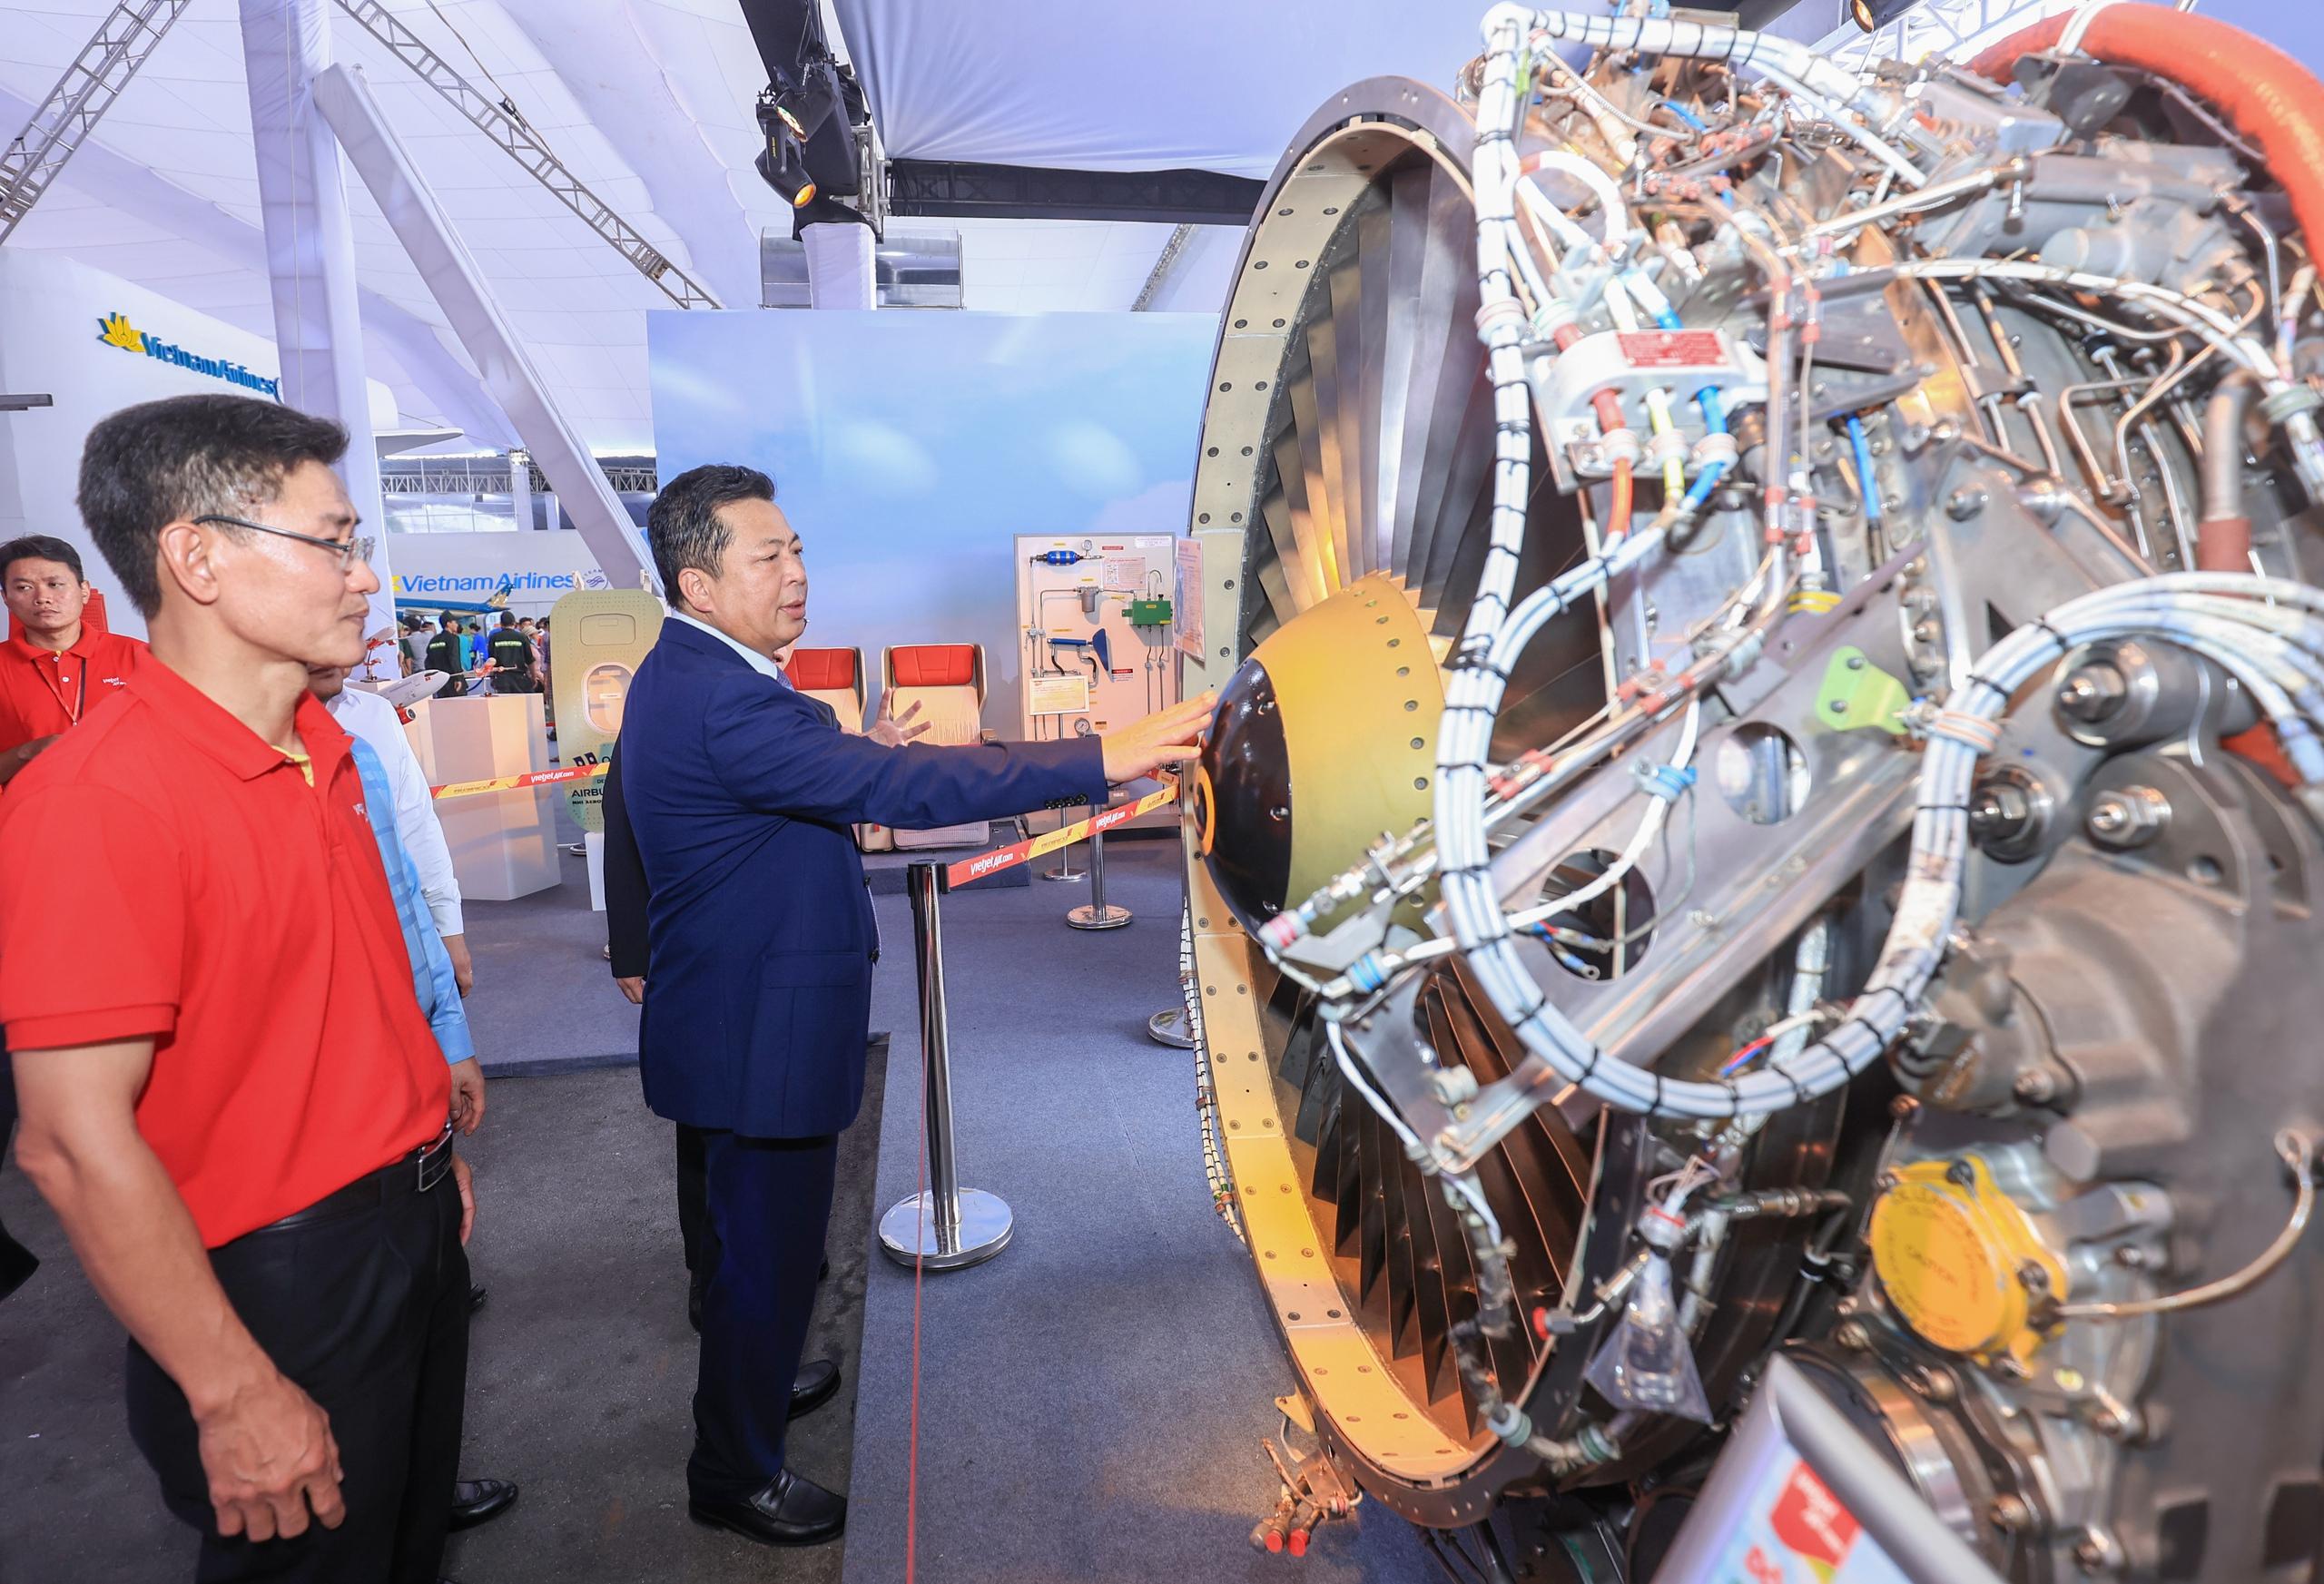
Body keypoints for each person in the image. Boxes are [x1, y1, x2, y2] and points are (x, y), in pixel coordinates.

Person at [620, 463, 1210, 1549]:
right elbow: (902, 791)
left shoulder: (690, 671)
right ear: (699, 583)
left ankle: (752, 1386)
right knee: (765, 1254)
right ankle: (734, 1470)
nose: (798, 573)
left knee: (751, 1246)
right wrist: (1103, 755)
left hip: (728, 1010)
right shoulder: (725, 697)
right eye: (769, 556)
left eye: (798, 549)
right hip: (759, 1033)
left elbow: (815, 779)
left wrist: (860, 755)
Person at [1, 393, 477, 1584]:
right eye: (334, 542)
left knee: (401, 1546)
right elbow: (69, 1143)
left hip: (408, 1223)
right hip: (275, 1280)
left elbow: (338, 999)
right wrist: (228, 1387)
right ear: (196, 557)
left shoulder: (329, 748)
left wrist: (425, 1150)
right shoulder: (98, 800)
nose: (364, 577)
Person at [315, 661, 518, 1538]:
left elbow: (406, 900)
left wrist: (450, 1040)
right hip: (307, 1168)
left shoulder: (356, 747)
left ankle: (420, 1506)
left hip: (402, 1117)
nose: (362, 596)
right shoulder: (152, 769)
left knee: (428, 1339)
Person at [0, 533, 148, 784]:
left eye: (55, 584)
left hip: (133, 802)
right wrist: (26, 753)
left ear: (84, 591)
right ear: (6, 599)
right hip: (35, 807)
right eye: (24, 587)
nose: (42, 598)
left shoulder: (140, 657)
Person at [486, 611, 538, 694]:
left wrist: (492, 677)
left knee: (505, 701)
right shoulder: (522, 637)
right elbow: (529, 659)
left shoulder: (494, 638)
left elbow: (491, 660)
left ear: (501, 624)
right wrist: (533, 677)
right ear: (514, 623)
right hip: (520, 678)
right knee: (521, 701)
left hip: (502, 678)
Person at [425, 614, 468, 697]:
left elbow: (428, 662)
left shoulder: (434, 640)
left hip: (440, 682)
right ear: (448, 624)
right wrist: (458, 678)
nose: (457, 625)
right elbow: (454, 659)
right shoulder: (453, 638)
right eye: (455, 622)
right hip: (453, 680)